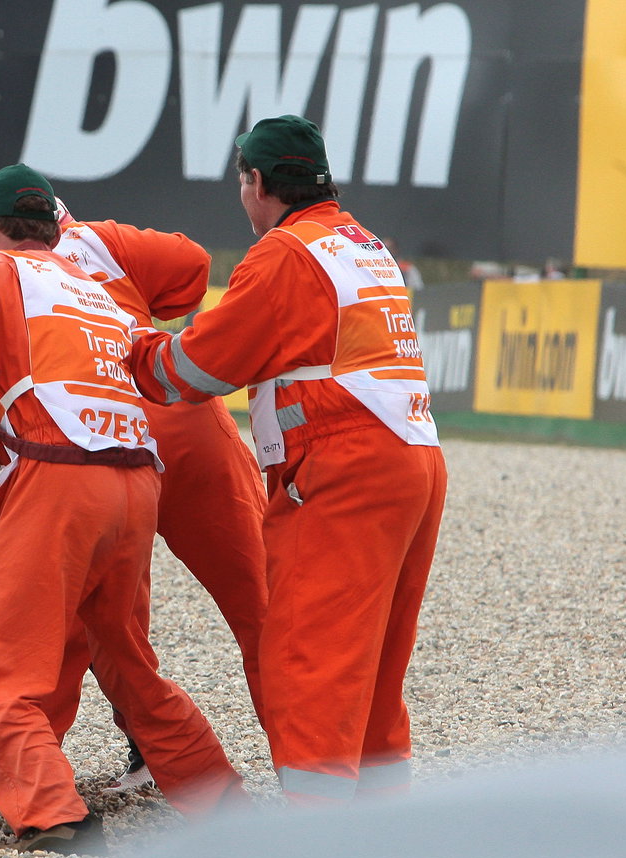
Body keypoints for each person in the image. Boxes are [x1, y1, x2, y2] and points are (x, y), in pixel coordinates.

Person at [0, 139, 269, 789]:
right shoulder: (88, 240)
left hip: (79, 451)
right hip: (177, 422)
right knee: (264, 611)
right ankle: (320, 779)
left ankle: (18, 746)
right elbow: (190, 267)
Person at [128, 114, 447, 805]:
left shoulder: (283, 254)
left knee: (309, 657)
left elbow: (197, 367)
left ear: (258, 182)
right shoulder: (363, 242)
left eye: (242, 183)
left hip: (344, 466)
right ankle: (387, 824)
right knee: (375, 666)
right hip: (415, 456)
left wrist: (134, 349)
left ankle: (315, 846)